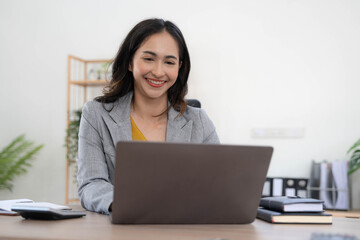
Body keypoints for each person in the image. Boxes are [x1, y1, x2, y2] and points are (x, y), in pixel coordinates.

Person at [76, 18, 220, 214]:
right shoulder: (96, 114)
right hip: (123, 228)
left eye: (169, 62)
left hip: (183, 229)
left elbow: (219, 185)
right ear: (129, 61)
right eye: (149, 59)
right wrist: (128, 206)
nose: (158, 72)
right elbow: (92, 184)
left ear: (179, 67)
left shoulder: (199, 122)